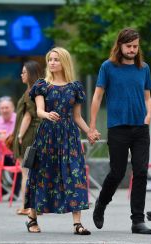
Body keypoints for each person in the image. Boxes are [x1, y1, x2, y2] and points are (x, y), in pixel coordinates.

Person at [24, 47, 100, 233]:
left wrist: (90, 132)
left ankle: (77, 224)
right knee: (41, 174)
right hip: (47, 136)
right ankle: (32, 218)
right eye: (50, 59)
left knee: (75, 175)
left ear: (64, 62)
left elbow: (77, 117)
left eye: (56, 59)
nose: (52, 62)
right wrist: (47, 114)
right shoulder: (42, 85)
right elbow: (39, 110)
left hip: (70, 137)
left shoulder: (75, 88)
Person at [87, 28, 151, 235]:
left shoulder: (143, 68)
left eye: (135, 46)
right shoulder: (108, 67)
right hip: (118, 128)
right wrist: (92, 126)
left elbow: (147, 98)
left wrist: (149, 114)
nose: (133, 50)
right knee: (117, 172)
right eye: (129, 46)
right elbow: (97, 97)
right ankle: (101, 203)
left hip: (140, 128)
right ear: (120, 46)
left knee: (141, 172)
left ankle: (137, 221)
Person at [12, 60, 42, 215]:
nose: (21, 74)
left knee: (26, 173)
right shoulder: (36, 91)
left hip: (29, 135)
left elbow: (28, 116)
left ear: (30, 74)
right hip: (35, 134)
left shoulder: (31, 92)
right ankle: (34, 206)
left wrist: (19, 135)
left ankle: (27, 206)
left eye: (24, 72)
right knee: (33, 173)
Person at [0, 96, 21, 199]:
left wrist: (8, 137)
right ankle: (1, 190)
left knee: (20, 163)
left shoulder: (18, 120)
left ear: (12, 108)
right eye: (2, 108)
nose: (4, 110)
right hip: (0, 154)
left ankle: (15, 193)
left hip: (14, 153)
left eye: (6, 107)